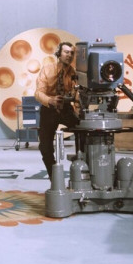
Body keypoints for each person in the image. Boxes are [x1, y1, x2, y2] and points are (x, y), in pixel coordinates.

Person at [35, 41, 80, 179]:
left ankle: (80, 163)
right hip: (49, 108)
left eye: (72, 53)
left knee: (84, 131)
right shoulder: (47, 69)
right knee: (45, 146)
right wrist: (50, 100)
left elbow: (77, 96)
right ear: (58, 53)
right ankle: (54, 177)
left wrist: (78, 107)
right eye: (66, 52)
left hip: (66, 108)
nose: (69, 55)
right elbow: (38, 93)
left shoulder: (74, 73)